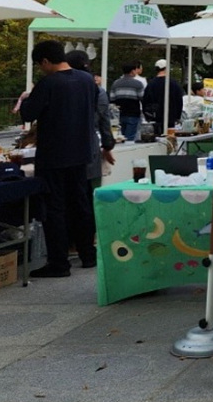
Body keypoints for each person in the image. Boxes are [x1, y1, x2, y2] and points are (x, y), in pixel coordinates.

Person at [19, 40, 101, 276]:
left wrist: (26, 98)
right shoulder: (87, 80)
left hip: (54, 154)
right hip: (82, 151)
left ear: (45, 61)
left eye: (40, 65)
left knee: (54, 208)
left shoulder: (48, 83)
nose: (41, 69)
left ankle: (59, 262)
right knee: (80, 204)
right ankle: (87, 253)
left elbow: (29, 114)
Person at [65, 50, 117, 193]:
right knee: (90, 192)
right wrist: (107, 145)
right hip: (89, 146)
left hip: (64, 149)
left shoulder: (61, 87)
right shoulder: (97, 91)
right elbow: (104, 120)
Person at [142, 58, 184, 135]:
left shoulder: (151, 84)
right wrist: (178, 116)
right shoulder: (174, 83)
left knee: (156, 137)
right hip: (171, 116)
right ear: (166, 68)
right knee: (170, 138)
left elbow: (145, 101)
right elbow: (179, 100)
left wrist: (147, 115)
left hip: (155, 117)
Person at [109, 62, 145, 142]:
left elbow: (112, 99)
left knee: (120, 137)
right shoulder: (138, 84)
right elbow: (142, 98)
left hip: (119, 115)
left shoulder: (116, 83)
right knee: (130, 138)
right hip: (133, 113)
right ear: (132, 71)